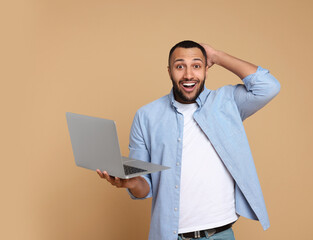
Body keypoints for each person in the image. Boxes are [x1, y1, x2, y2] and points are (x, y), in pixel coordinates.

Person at [97, 40, 280, 240]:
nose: (188, 75)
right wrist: (131, 182)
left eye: (196, 65)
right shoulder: (146, 116)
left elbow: (268, 87)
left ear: (206, 70)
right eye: (180, 66)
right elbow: (143, 187)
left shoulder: (227, 102)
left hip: (220, 234)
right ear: (169, 72)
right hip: (170, 236)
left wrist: (217, 56)